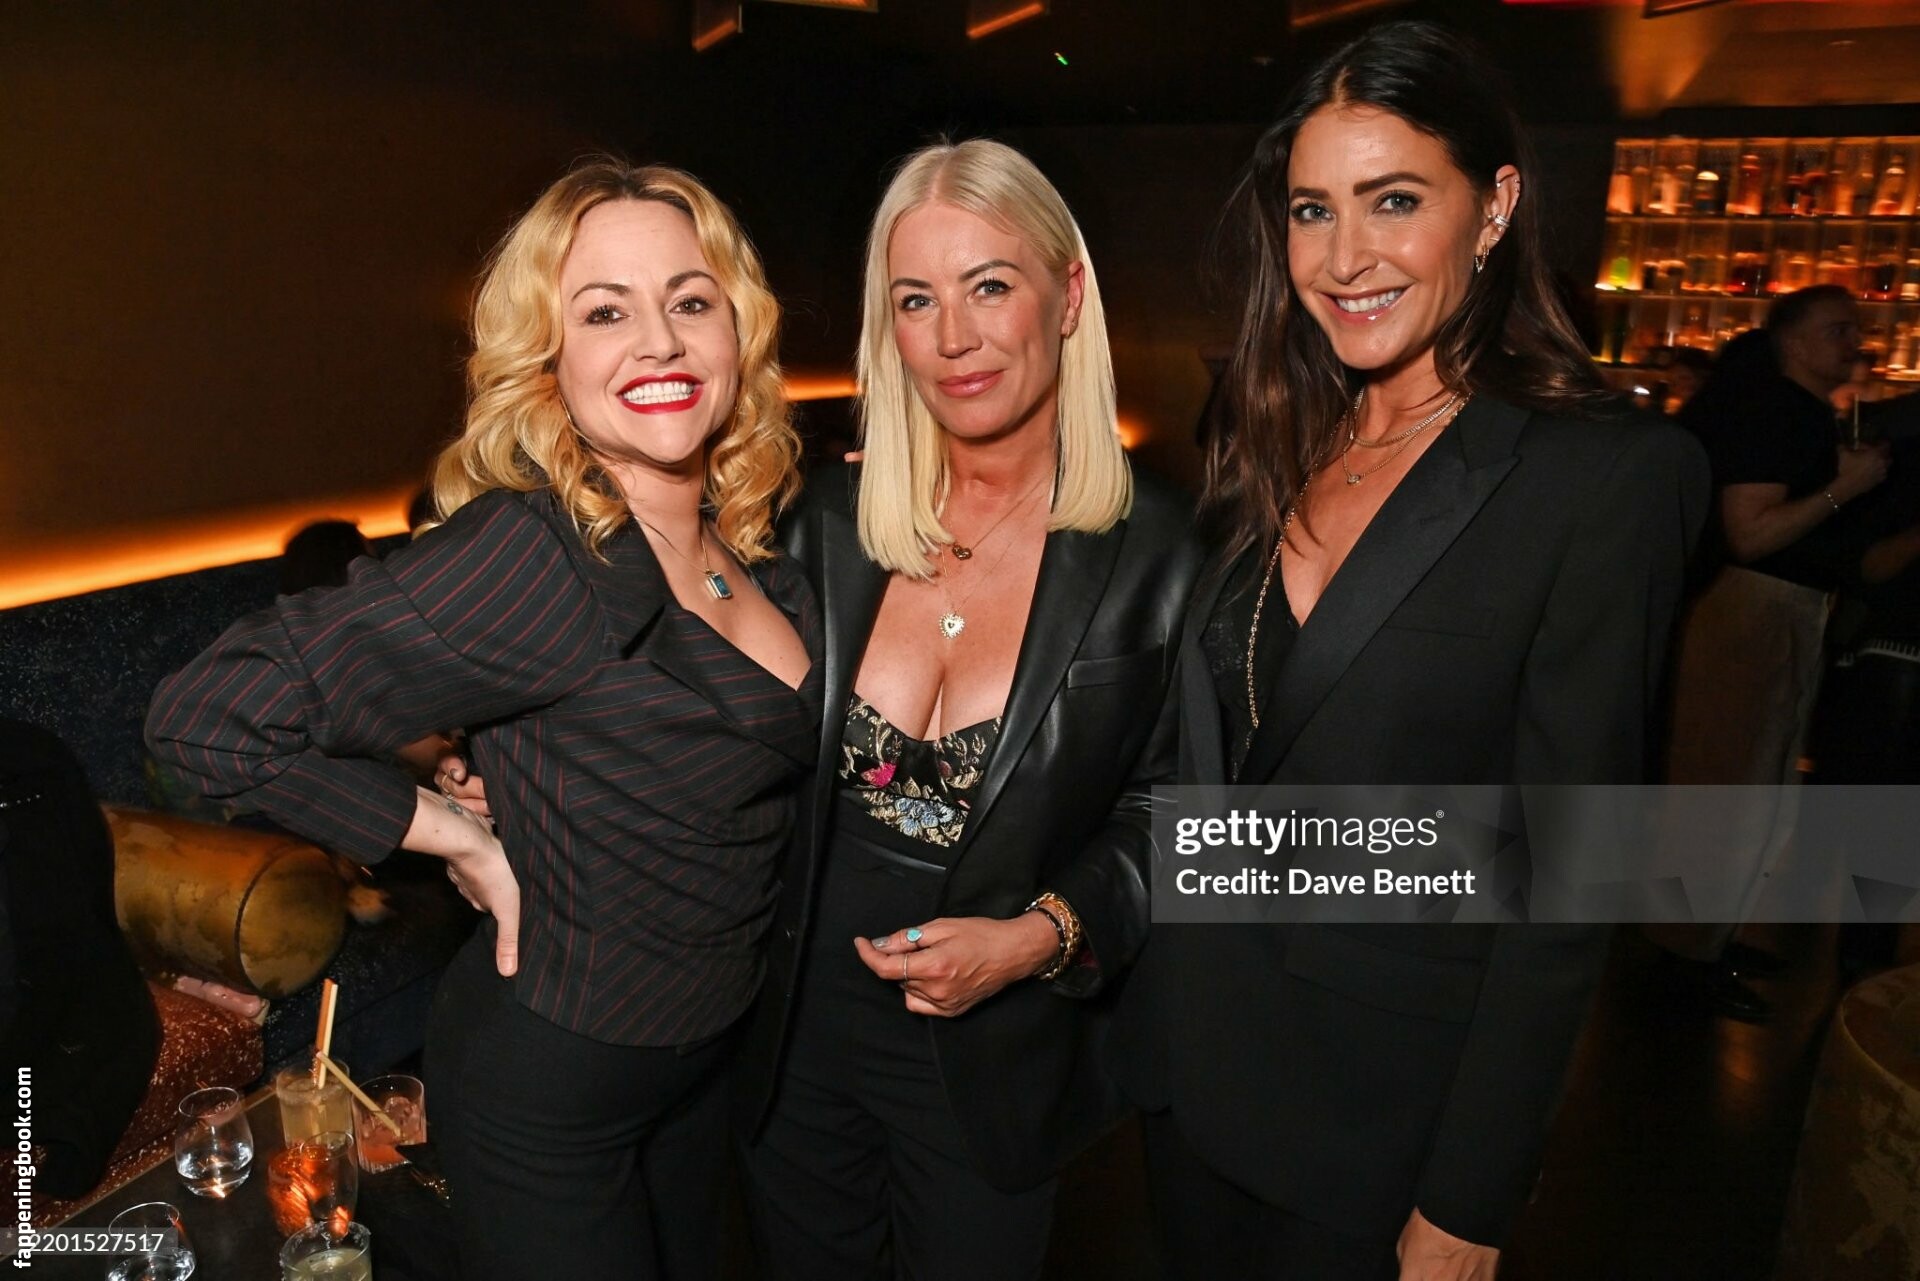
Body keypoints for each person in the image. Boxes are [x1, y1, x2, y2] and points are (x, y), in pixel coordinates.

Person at [1107, 22, 1709, 1280]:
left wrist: (1471, 1198)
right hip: (1190, 1080)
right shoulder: (1273, 436)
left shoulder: (1602, 480)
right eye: (1311, 211)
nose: (1344, 259)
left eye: (1394, 201)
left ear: (1493, 208)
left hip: (1382, 1132)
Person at [147, 159, 819, 1281]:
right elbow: (208, 720)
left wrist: (501, 765)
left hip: (703, 1059)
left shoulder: (744, 543)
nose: (659, 341)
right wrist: (449, 831)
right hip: (553, 1091)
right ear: (550, 360)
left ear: (738, 331)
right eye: (604, 312)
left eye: (690, 301)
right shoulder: (538, 552)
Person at [734, 139, 1204, 1280]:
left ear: (1068, 297)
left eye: (989, 285)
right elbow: (729, 732)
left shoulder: (1163, 555)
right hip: (790, 1033)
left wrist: (1042, 935)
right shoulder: (825, 522)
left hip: (992, 1058)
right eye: (916, 299)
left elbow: (1178, 812)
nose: (953, 336)